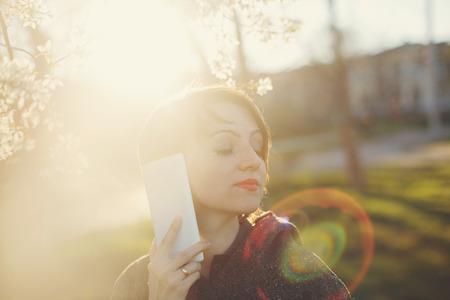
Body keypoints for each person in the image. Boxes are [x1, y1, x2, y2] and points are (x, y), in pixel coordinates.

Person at [111, 86, 351, 300]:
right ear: (167, 168)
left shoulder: (299, 274)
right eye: (225, 147)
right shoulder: (134, 284)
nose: (254, 161)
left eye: (257, 147)